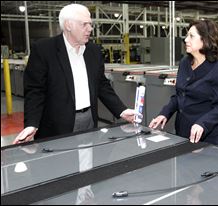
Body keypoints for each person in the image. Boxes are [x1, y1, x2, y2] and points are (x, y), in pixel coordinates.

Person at [13, 4, 138, 144]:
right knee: (61, 164)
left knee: (88, 160)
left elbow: (102, 85)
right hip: (56, 125)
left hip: (89, 119)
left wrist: (121, 110)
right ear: (68, 25)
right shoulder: (44, 50)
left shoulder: (94, 51)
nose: (90, 29)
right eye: (84, 24)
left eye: (90, 24)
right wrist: (32, 124)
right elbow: (35, 91)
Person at [149, 19, 218, 147]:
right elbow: (180, 95)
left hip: (205, 137)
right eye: (187, 35)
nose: (186, 39)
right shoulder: (185, 62)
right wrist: (165, 113)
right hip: (182, 132)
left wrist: (202, 123)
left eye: (191, 36)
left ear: (205, 39)